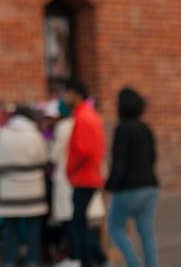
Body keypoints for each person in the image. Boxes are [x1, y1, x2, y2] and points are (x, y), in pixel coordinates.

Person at [105, 87, 159, 267]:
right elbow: (153, 156)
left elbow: (119, 162)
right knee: (146, 233)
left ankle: (133, 263)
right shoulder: (145, 128)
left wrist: (110, 184)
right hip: (149, 184)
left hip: (129, 187)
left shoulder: (122, 130)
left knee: (115, 227)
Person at [0, 106, 49, 267]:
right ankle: (33, 261)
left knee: (10, 232)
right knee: (33, 231)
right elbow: (43, 158)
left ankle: (10, 261)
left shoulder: (3, 135)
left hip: (9, 191)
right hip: (33, 191)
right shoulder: (35, 136)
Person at [64, 80, 106, 267]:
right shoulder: (90, 116)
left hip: (83, 177)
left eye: (67, 93)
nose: (65, 98)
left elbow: (83, 150)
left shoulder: (82, 117)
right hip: (89, 175)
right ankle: (98, 258)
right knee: (80, 221)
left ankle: (92, 260)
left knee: (78, 224)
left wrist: (69, 168)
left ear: (75, 93)